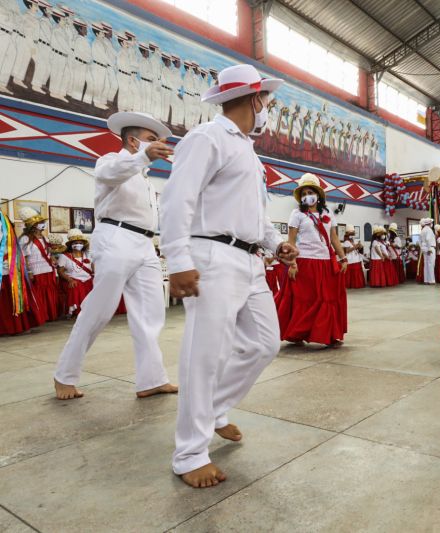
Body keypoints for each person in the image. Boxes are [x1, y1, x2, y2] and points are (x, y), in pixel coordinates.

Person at [161, 64, 297, 489]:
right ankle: (189, 453)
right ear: (255, 99)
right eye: (267, 102)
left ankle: (216, 410)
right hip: (212, 256)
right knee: (205, 355)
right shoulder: (207, 138)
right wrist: (178, 258)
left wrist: (276, 244)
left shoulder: (248, 152)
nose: (267, 110)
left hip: (250, 260)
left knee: (265, 343)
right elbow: (176, 200)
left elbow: (254, 214)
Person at [54, 111, 177, 401]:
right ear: (133, 141)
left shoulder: (146, 180)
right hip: (116, 238)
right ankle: (64, 375)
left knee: (151, 312)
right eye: (150, 140)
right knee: (99, 309)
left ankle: (151, 379)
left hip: (145, 245)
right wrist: (143, 158)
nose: (155, 145)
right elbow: (111, 174)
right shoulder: (110, 161)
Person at [277, 173, 348, 347]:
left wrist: (343, 257)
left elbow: (334, 239)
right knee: (305, 299)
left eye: (310, 191)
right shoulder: (297, 214)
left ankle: (328, 334)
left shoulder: (328, 213)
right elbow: (291, 240)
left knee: (326, 298)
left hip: (325, 262)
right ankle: (298, 333)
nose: (307, 195)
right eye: (304, 193)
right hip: (304, 261)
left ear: (317, 194)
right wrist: (292, 263)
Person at [0, 211, 41, 335]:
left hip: (10, 268)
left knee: (14, 298)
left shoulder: (4, 220)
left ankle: (16, 326)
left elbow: (11, 247)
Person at [18, 207, 59, 324]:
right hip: (36, 271)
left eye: (43, 222)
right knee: (39, 293)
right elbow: (24, 258)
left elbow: (48, 252)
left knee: (49, 292)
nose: (43, 224)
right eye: (40, 223)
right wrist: (29, 272)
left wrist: (52, 258)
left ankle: (51, 314)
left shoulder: (44, 238)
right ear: (33, 225)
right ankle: (41, 316)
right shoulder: (25, 239)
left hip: (48, 269)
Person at [56, 229, 93, 317]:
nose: (78, 245)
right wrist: (70, 280)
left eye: (80, 243)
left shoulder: (88, 254)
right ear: (71, 245)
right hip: (74, 279)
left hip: (88, 279)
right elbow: (60, 271)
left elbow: (93, 268)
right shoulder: (64, 256)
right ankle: (76, 311)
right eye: (75, 243)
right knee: (76, 286)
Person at [342, 225, 365, 289]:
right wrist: (355, 246)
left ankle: (358, 284)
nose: (352, 235)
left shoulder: (353, 241)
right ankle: (351, 285)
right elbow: (347, 251)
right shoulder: (346, 242)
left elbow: (358, 248)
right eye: (351, 234)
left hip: (356, 258)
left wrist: (360, 246)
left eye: (353, 234)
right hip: (351, 259)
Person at [419, 218, 436, 285]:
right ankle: (431, 280)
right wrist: (429, 249)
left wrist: (422, 248)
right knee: (431, 264)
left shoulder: (423, 230)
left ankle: (426, 280)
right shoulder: (429, 230)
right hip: (430, 248)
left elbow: (420, 241)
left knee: (426, 265)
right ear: (429, 223)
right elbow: (428, 239)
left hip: (424, 248)